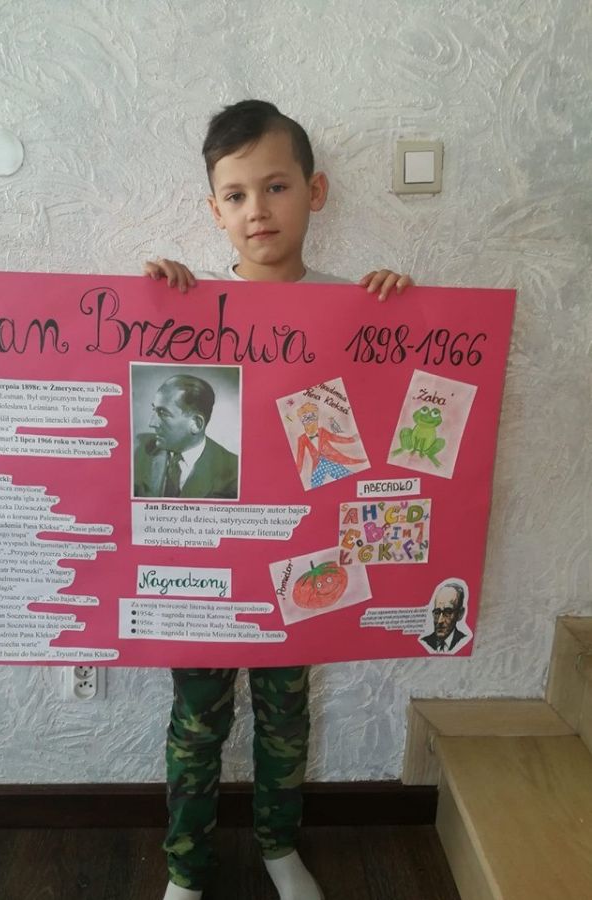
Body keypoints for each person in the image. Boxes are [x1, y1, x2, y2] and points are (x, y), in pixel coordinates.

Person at [144, 99, 413, 900]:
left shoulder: (352, 309)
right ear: (215, 211)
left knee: (285, 716)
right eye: (235, 195)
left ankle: (277, 848)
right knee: (196, 722)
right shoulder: (188, 307)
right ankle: (185, 868)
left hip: (301, 558)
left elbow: (380, 421)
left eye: (276, 187)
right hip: (204, 569)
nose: (256, 210)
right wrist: (155, 303)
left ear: (314, 191)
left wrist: (402, 312)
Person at [133, 373, 238, 499]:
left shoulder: (234, 473)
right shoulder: (137, 448)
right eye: (154, 410)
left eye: (163, 413)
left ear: (196, 424)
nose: (151, 423)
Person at [420, 581, 468, 653]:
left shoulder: (464, 641)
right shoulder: (424, 642)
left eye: (447, 612)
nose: (440, 621)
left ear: (460, 614)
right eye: (437, 612)